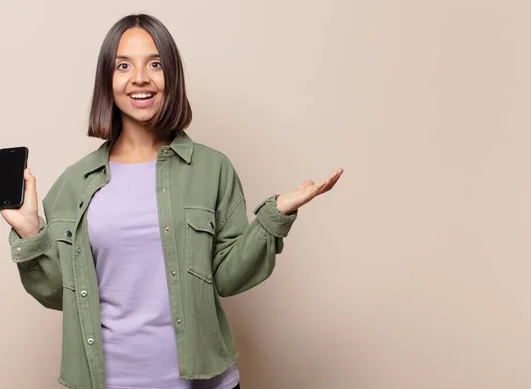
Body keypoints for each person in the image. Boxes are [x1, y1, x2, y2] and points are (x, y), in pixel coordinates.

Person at [1, 13, 343, 389]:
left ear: (172, 76)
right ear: (107, 80)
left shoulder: (211, 168)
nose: (141, 78)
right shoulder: (73, 184)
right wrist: (31, 233)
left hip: (207, 382)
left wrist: (275, 215)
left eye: (155, 64)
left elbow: (228, 277)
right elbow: (57, 293)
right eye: (123, 65)